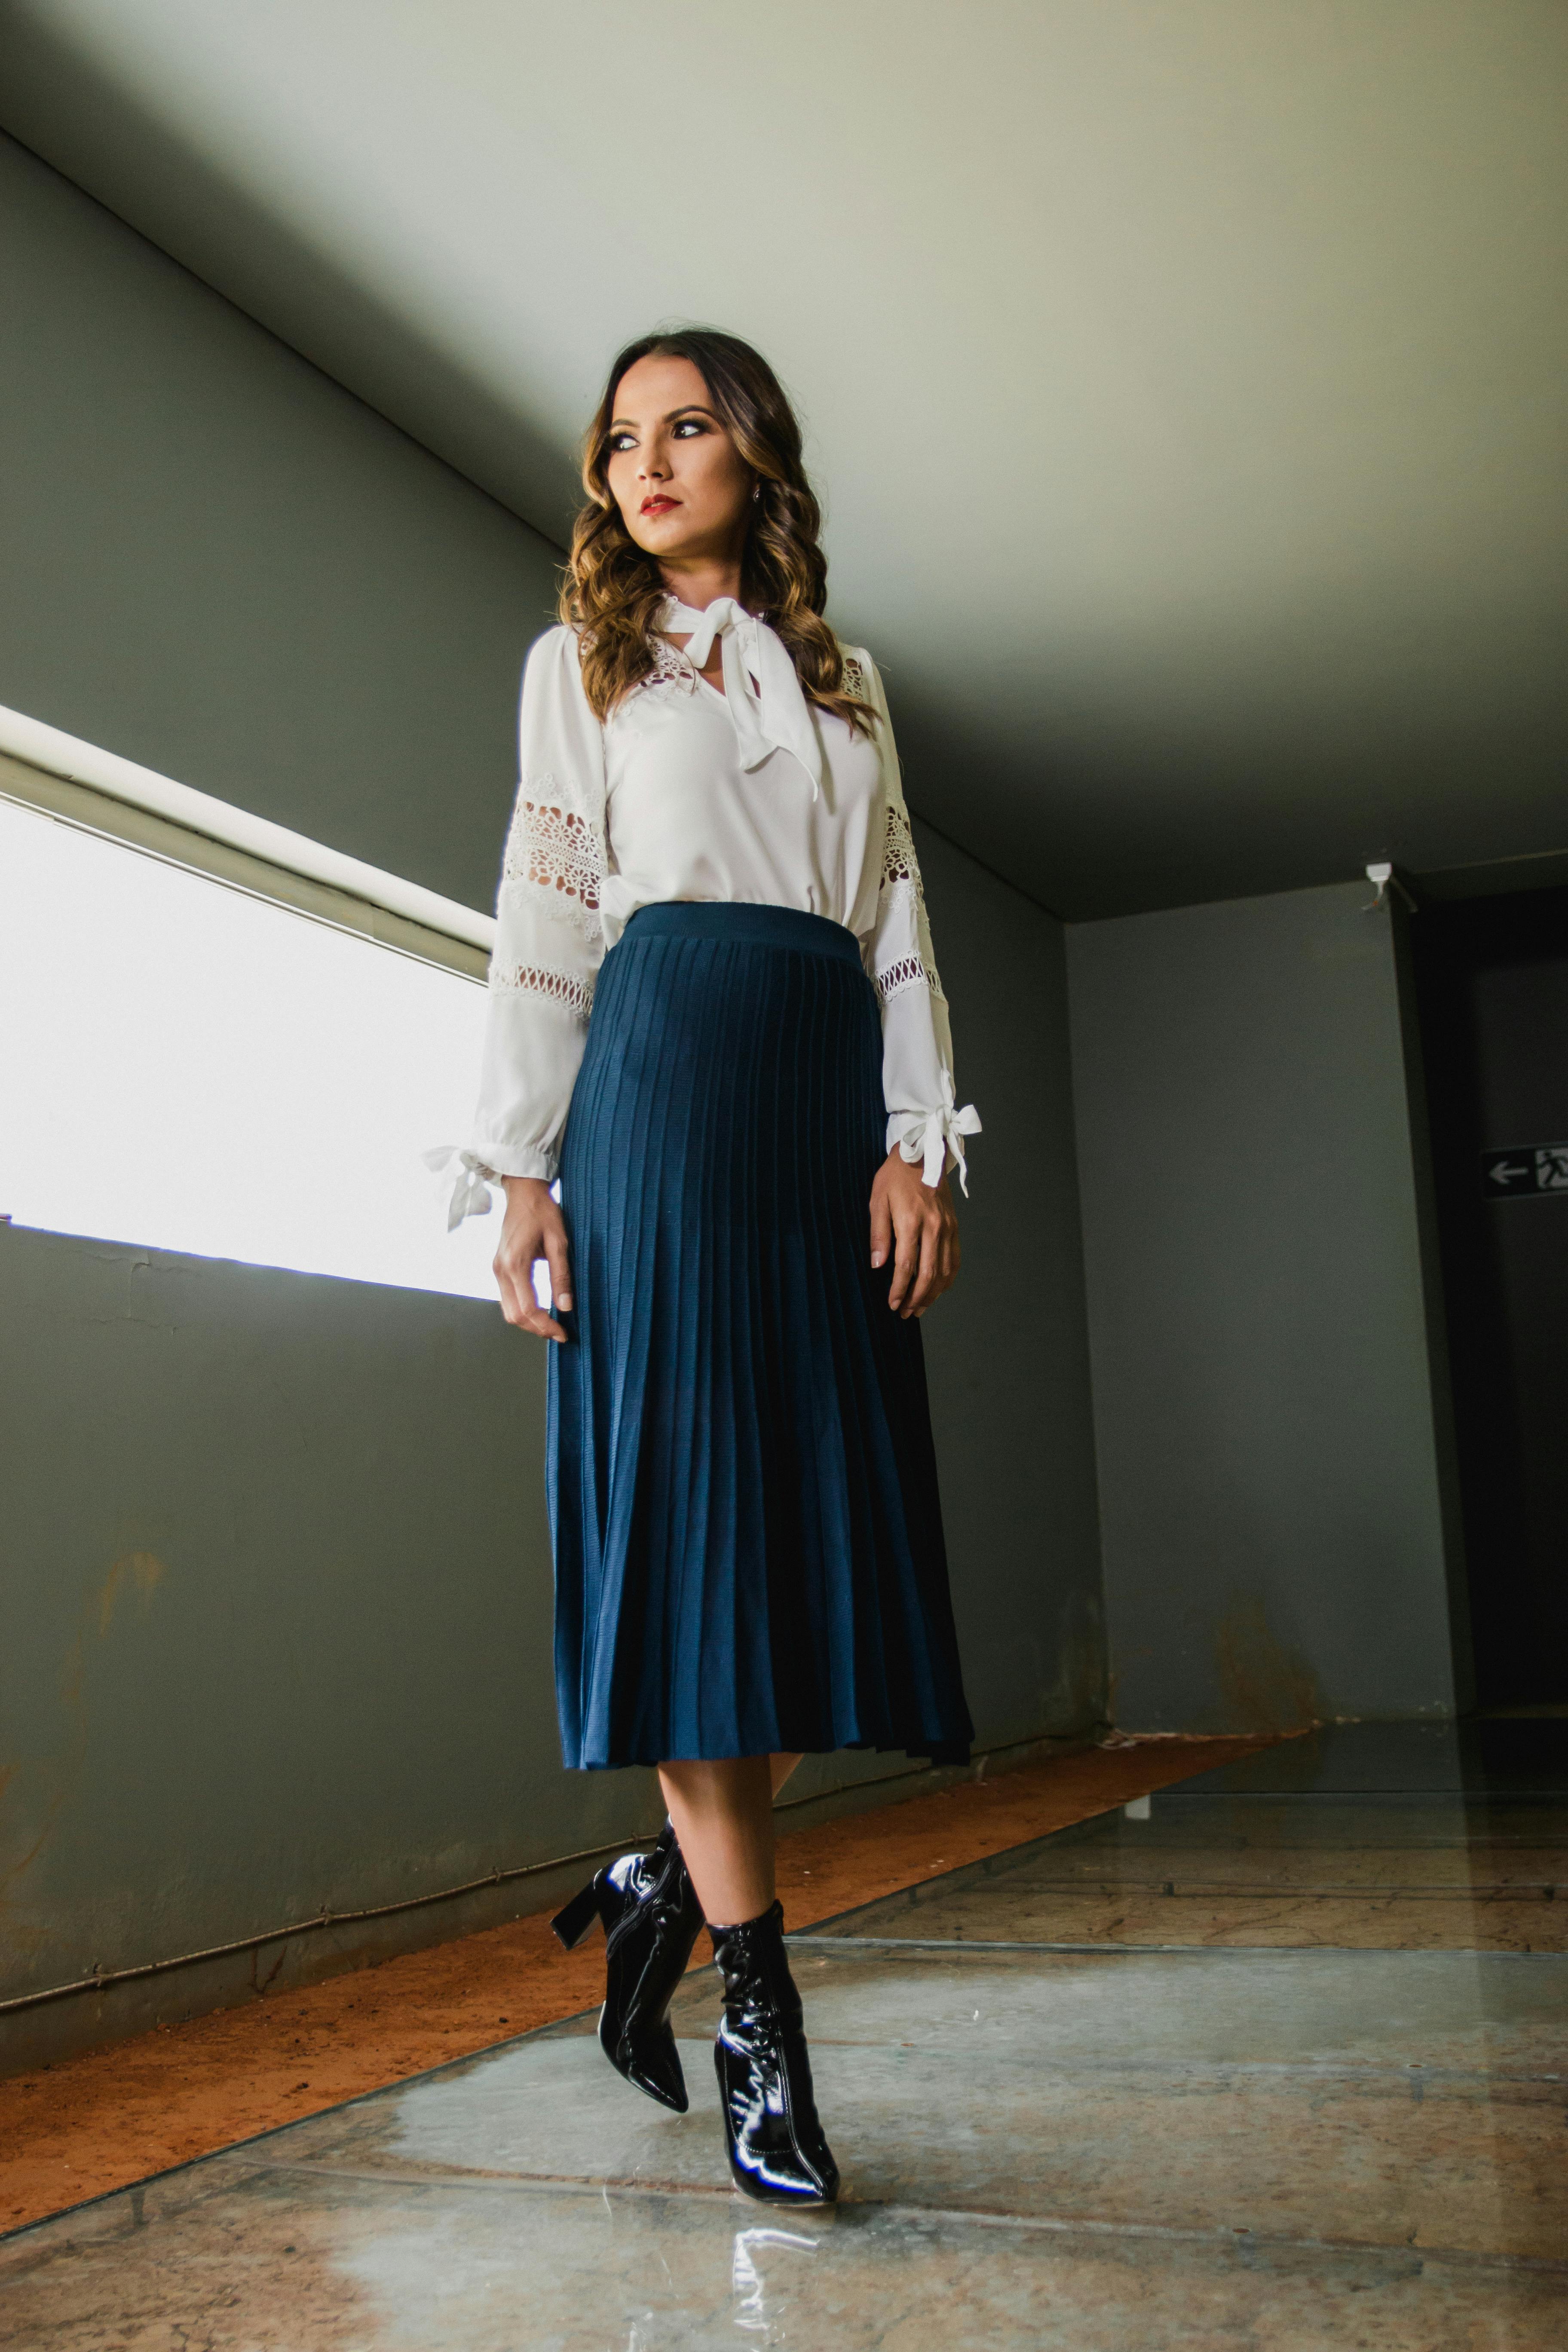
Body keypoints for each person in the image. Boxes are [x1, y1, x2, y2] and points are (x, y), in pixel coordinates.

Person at [441, 328, 978, 2205]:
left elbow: (899, 909)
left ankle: (661, 1878)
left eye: (684, 431)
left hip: (818, 1089)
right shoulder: (578, 665)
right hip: (659, 1095)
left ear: (754, 454)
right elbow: (544, 909)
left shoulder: (850, 681)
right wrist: (521, 1170)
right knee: (690, 1562)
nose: (644, 465)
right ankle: (763, 2028)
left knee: (808, 1565)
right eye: (620, 441)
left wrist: (918, 1141)